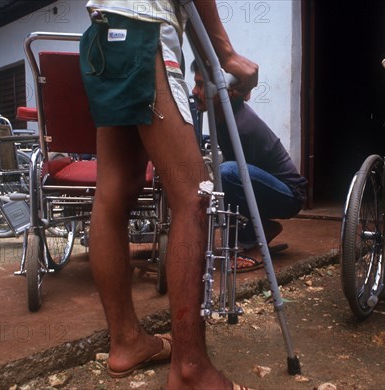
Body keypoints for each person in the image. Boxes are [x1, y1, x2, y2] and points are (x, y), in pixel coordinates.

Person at [78, 1, 258, 389]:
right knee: (194, 196)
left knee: (113, 194)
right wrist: (225, 53)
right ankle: (190, 367)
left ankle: (126, 342)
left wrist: (214, 57)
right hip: (145, 32)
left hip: (104, 36)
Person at [191, 60, 307, 271]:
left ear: (221, 91)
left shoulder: (242, 126)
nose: (194, 90)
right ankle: (263, 229)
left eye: (200, 85)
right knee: (222, 176)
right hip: (263, 186)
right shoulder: (219, 117)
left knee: (226, 173)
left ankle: (255, 245)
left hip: (289, 195)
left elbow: (240, 183)